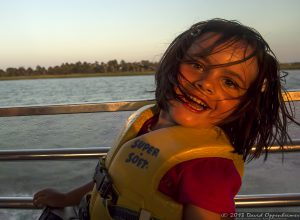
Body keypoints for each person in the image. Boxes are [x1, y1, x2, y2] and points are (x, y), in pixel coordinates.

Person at [33, 18, 299, 220]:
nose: (206, 83)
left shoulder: (207, 169)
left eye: (229, 82)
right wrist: (67, 198)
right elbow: (114, 178)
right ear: (173, 63)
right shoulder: (149, 123)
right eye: (196, 65)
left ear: (244, 104)